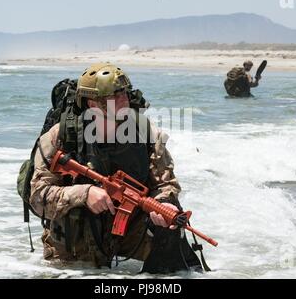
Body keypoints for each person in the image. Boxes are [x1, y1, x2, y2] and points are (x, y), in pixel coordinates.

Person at [29, 63, 203, 272]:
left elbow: (166, 184)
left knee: (172, 231)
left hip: (129, 229)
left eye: (124, 93)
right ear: (93, 104)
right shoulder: (61, 137)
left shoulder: (145, 133)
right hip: (77, 238)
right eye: (114, 96)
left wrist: (164, 204)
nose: (124, 100)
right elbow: (37, 197)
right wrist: (84, 193)